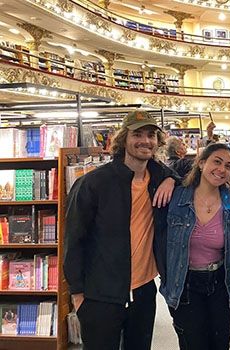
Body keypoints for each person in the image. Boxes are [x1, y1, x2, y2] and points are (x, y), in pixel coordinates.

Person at [64, 110, 178, 350]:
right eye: (137, 134)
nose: (145, 141)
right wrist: (77, 295)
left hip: (143, 292)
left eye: (151, 135)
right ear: (124, 138)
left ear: (158, 141)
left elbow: (192, 176)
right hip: (100, 295)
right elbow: (74, 240)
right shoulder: (93, 183)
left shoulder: (158, 178)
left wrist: (171, 178)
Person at [159, 143, 230, 350]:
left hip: (219, 283)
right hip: (185, 283)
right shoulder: (176, 197)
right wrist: (169, 179)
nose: (222, 169)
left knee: (220, 342)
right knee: (192, 343)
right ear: (202, 163)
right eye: (216, 161)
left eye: (227, 165)